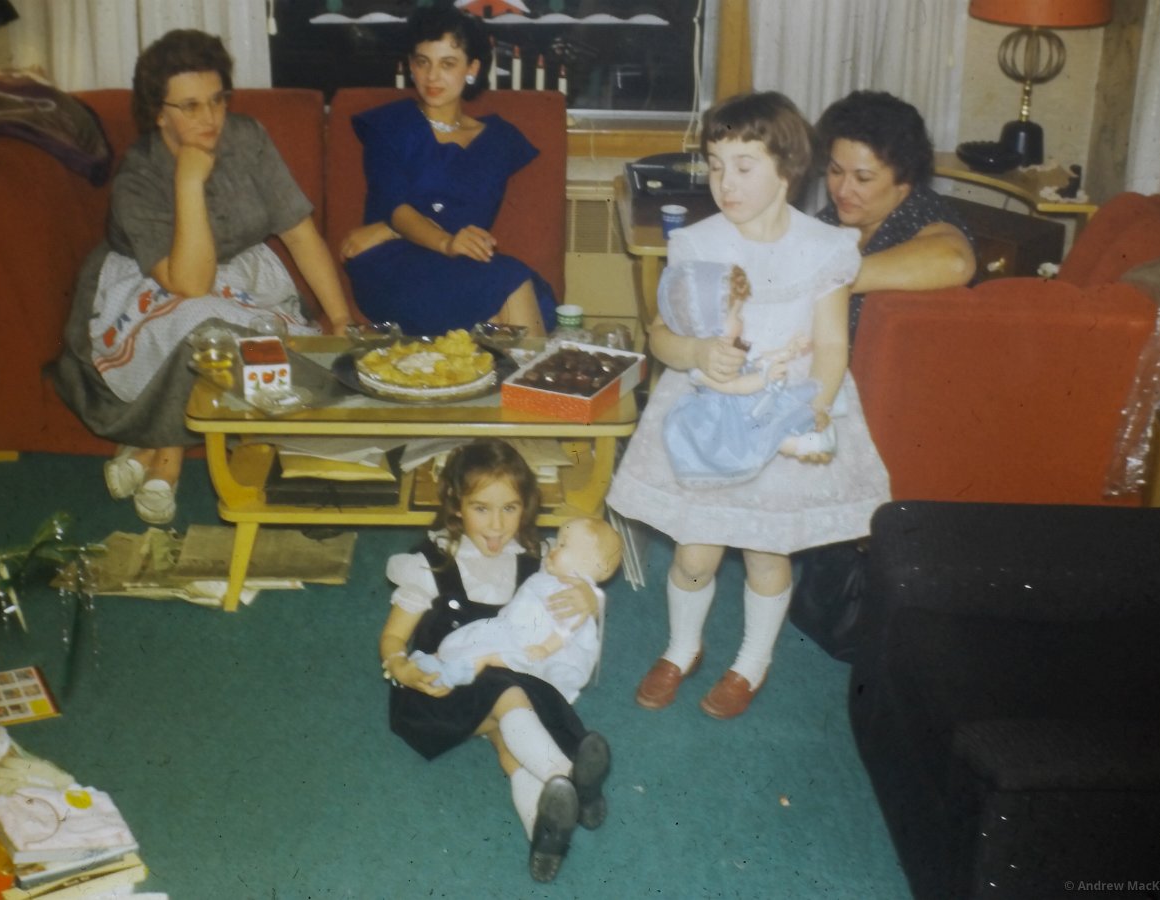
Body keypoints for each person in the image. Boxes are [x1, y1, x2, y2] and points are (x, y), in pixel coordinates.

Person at [605, 92, 891, 721]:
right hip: (710, 417)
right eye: (715, 165)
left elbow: (831, 344)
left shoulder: (825, 247)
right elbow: (661, 335)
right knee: (695, 552)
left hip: (783, 415)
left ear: (787, 169)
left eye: (742, 166)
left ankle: (751, 661)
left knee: (767, 551)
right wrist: (695, 350)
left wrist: (816, 407)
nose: (724, 183)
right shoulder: (697, 243)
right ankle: (682, 647)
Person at [49, 29, 351, 524]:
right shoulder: (139, 176)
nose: (210, 118)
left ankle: (150, 444)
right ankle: (166, 456)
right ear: (158, 113)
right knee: (200, 321)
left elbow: (299, 234)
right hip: (153, 287)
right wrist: (189, 180)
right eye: (189, 106)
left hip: (243, 278)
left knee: (267, 346)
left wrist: (338, 319)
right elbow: (190, 284)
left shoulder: (247, 137)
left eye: (217, 99)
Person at [379, 440, 608, 882]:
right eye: (481, 508)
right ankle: (569, 775)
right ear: (456, 504)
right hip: (440, 691)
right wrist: (401, 666)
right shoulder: (432, 564)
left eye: (510, 508)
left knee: (511, 742)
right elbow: (393, 637)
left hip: (502, 684)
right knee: (509, 692)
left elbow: (584, 591)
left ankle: (544, 836)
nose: (498, 525)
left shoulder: (539, 560)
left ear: (526, 507)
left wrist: (589, 598)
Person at [339, 6, 556, 337]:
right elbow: (396, 209)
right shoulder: (390, 126)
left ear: (472, 68)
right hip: (390, 267)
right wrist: (443, 241)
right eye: (422, 62)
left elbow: (470, 217)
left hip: (456, 263)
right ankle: (537, 373)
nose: (432, 76)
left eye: (447, 64)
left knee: (511, 286)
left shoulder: (498, 141)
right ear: (411, 65)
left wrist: (386, 229)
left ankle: (520, 372)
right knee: (510, 281)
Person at [814, 90, 977, 344]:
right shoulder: (836, 216)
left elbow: (956, 261)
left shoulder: (920, 212)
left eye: (863, 178)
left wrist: (837, 279)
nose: (842, 190)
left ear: (904, 180)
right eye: (835, 171)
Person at [411, 516, 622, 703]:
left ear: (588, 562)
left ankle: (449, 674)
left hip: (537, 645)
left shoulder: (572, 593)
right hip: (514, 627)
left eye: (563, 545)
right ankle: (439, 657)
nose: (554, 548)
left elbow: (566, 629)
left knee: (486, 652)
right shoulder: (553, 575)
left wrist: (546, 648)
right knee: (475, 634)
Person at [660, 262, 823, 486]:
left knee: (781, 410)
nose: (742, 320)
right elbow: (733, 386)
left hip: (744, 402)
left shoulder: (737, 344)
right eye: (736, 314)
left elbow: (757, 358)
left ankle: (805, 438)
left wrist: (788, 350)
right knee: (762, 433)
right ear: (711, 325)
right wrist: (764, 378)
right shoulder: (702, 367)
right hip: (724, 418)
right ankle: (801, 445)